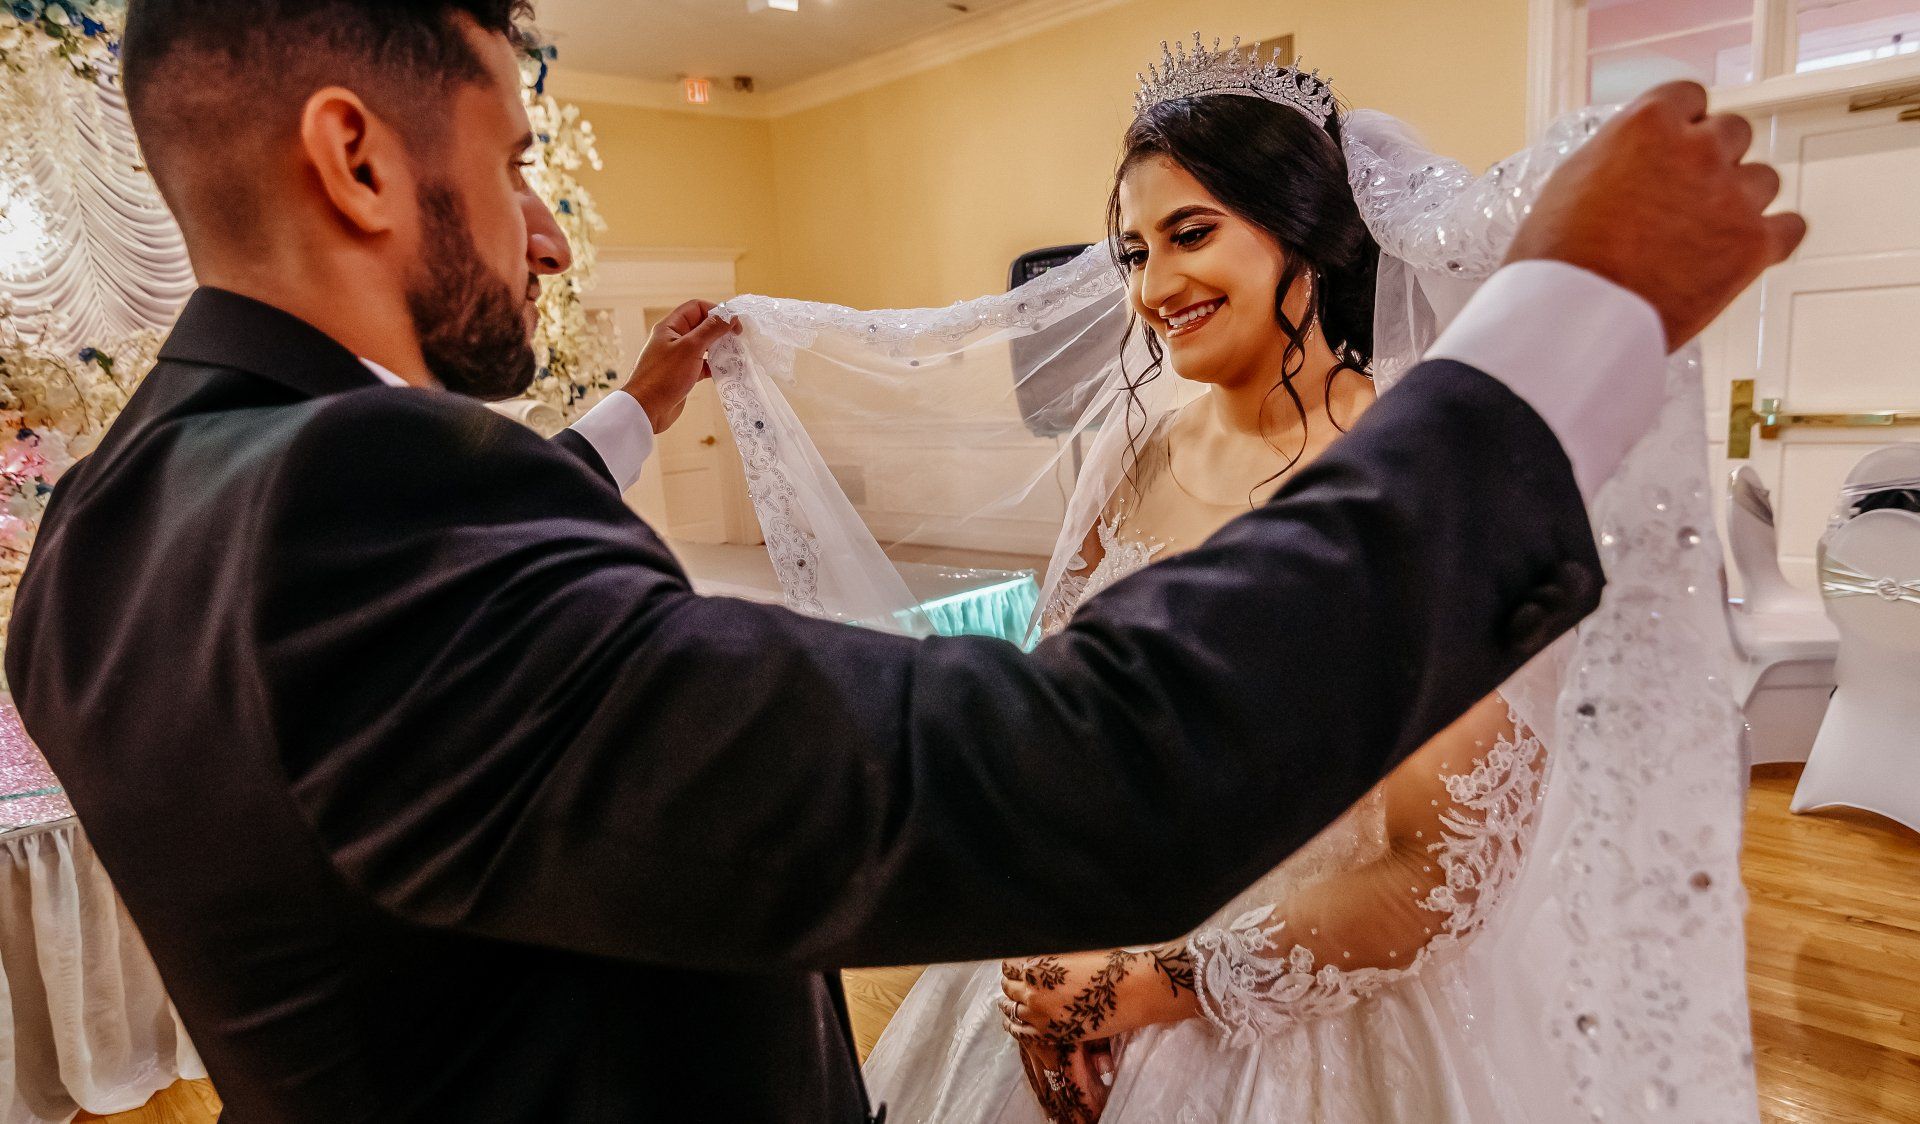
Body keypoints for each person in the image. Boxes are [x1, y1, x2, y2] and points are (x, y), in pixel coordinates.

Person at [2, 3, 1798, 1122]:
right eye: (515, 154)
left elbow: (436, 645)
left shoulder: (106, 531)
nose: (551, 228)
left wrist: (626, 423)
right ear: (357, 157)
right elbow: (1057, 759)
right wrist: (1572, 327)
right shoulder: (369, 509)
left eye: (1192, 233)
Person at [855, 61, 1562, 1124]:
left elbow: (1447, 863)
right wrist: (1041, 947)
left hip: (1303, 1027)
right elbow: (1058, 727)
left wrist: (1137, 987)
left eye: (1191, 235)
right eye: (1135, 251)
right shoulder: (1126, 454)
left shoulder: (1417, 480)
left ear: (1307, 235)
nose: (1150, 288)